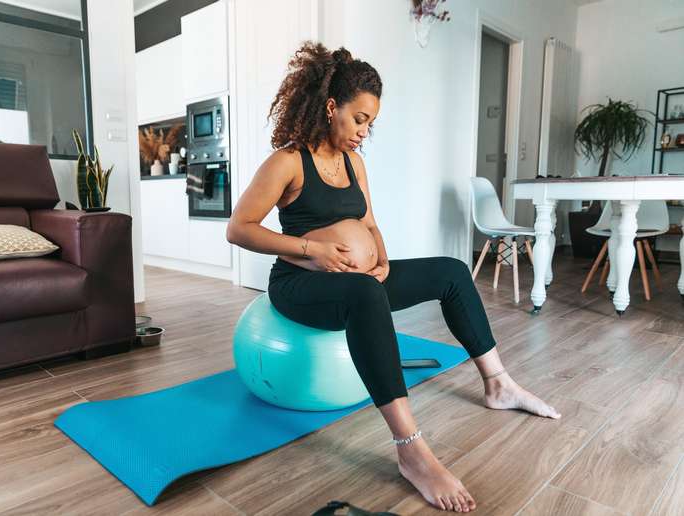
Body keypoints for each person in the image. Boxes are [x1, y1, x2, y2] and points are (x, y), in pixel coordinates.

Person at [225, 41, 561, 513]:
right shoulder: (287, 162)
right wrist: (313, 249)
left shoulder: (353, 162)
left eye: (371, 123)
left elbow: (369, 221)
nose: (365, 131)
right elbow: (239, 229)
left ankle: (498, 383)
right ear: (330, 107)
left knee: (451, 271)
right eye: (359, 119)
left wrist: (380, 258)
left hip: (358, 280)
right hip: (300, 285)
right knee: (363, 292)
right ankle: (411, 449)